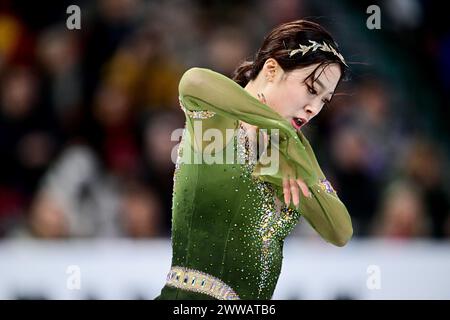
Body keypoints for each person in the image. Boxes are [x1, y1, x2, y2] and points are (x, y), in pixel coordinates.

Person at [155, 20, 353, 300]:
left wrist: (298, 153)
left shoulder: (289, 152)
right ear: (272, 70)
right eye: (311, 89)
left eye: (325, 100)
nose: (314, 108)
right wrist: (283, 130)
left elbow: (340, 231)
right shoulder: (215, 120)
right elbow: (193, 81)